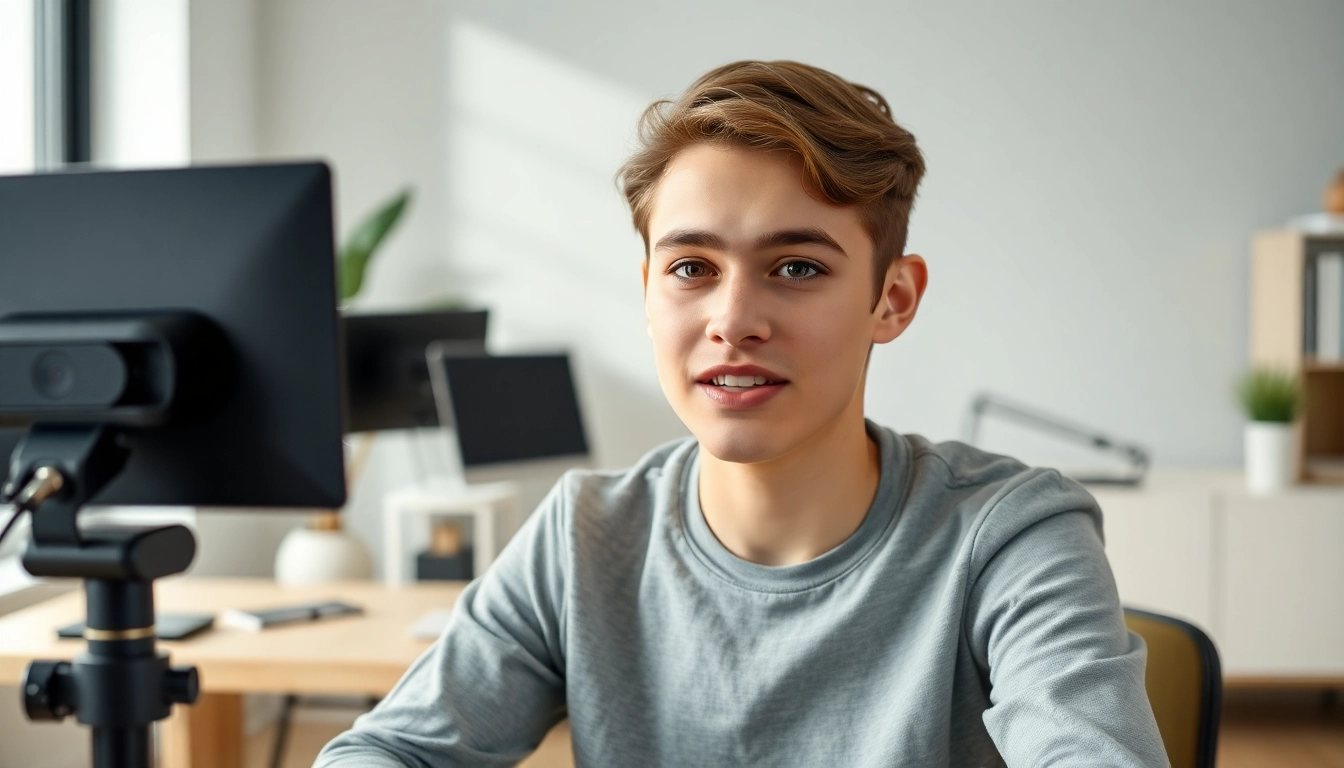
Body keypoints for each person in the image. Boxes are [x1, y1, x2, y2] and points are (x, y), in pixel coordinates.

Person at [316, 60, 1168, 767]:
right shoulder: (585, 535)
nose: (733, 319)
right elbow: (390, 753)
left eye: (797, 267)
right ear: (647, 292)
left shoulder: (1011, 534)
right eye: (691, 268)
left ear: (892, 299)